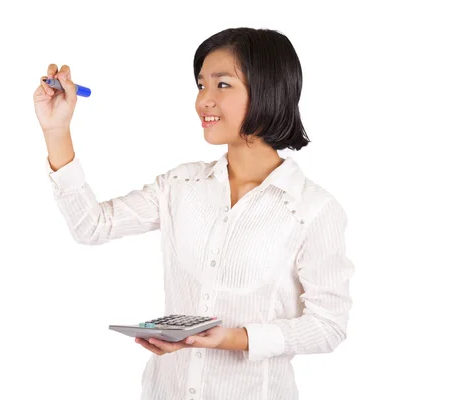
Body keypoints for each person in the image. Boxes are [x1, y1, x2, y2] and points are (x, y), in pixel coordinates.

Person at [33, 27, 354, 400]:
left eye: (222, 85)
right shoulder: (181, 185)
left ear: (269, 89)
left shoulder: (311, 209)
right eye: (201, 85)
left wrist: (234, 338)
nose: (204, 100)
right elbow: (92, 226)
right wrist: (57, 130)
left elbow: (328, 326)